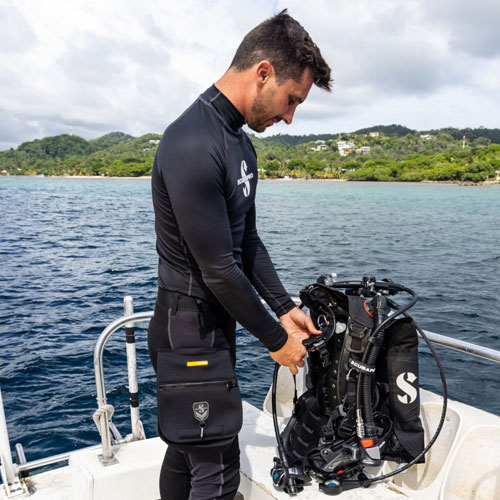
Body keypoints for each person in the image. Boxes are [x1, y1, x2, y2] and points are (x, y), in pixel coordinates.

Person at [148, 9, 332, 500]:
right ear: (264, 71)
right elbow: (218, 268)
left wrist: (286, 307)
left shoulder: (240, 148)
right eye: (292, 100)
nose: (290, 116)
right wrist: (277, 339)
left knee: (190, 451)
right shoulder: (191, 142)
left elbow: (246, 242)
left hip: (213, 327)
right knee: (217, 469)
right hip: (186, 328)